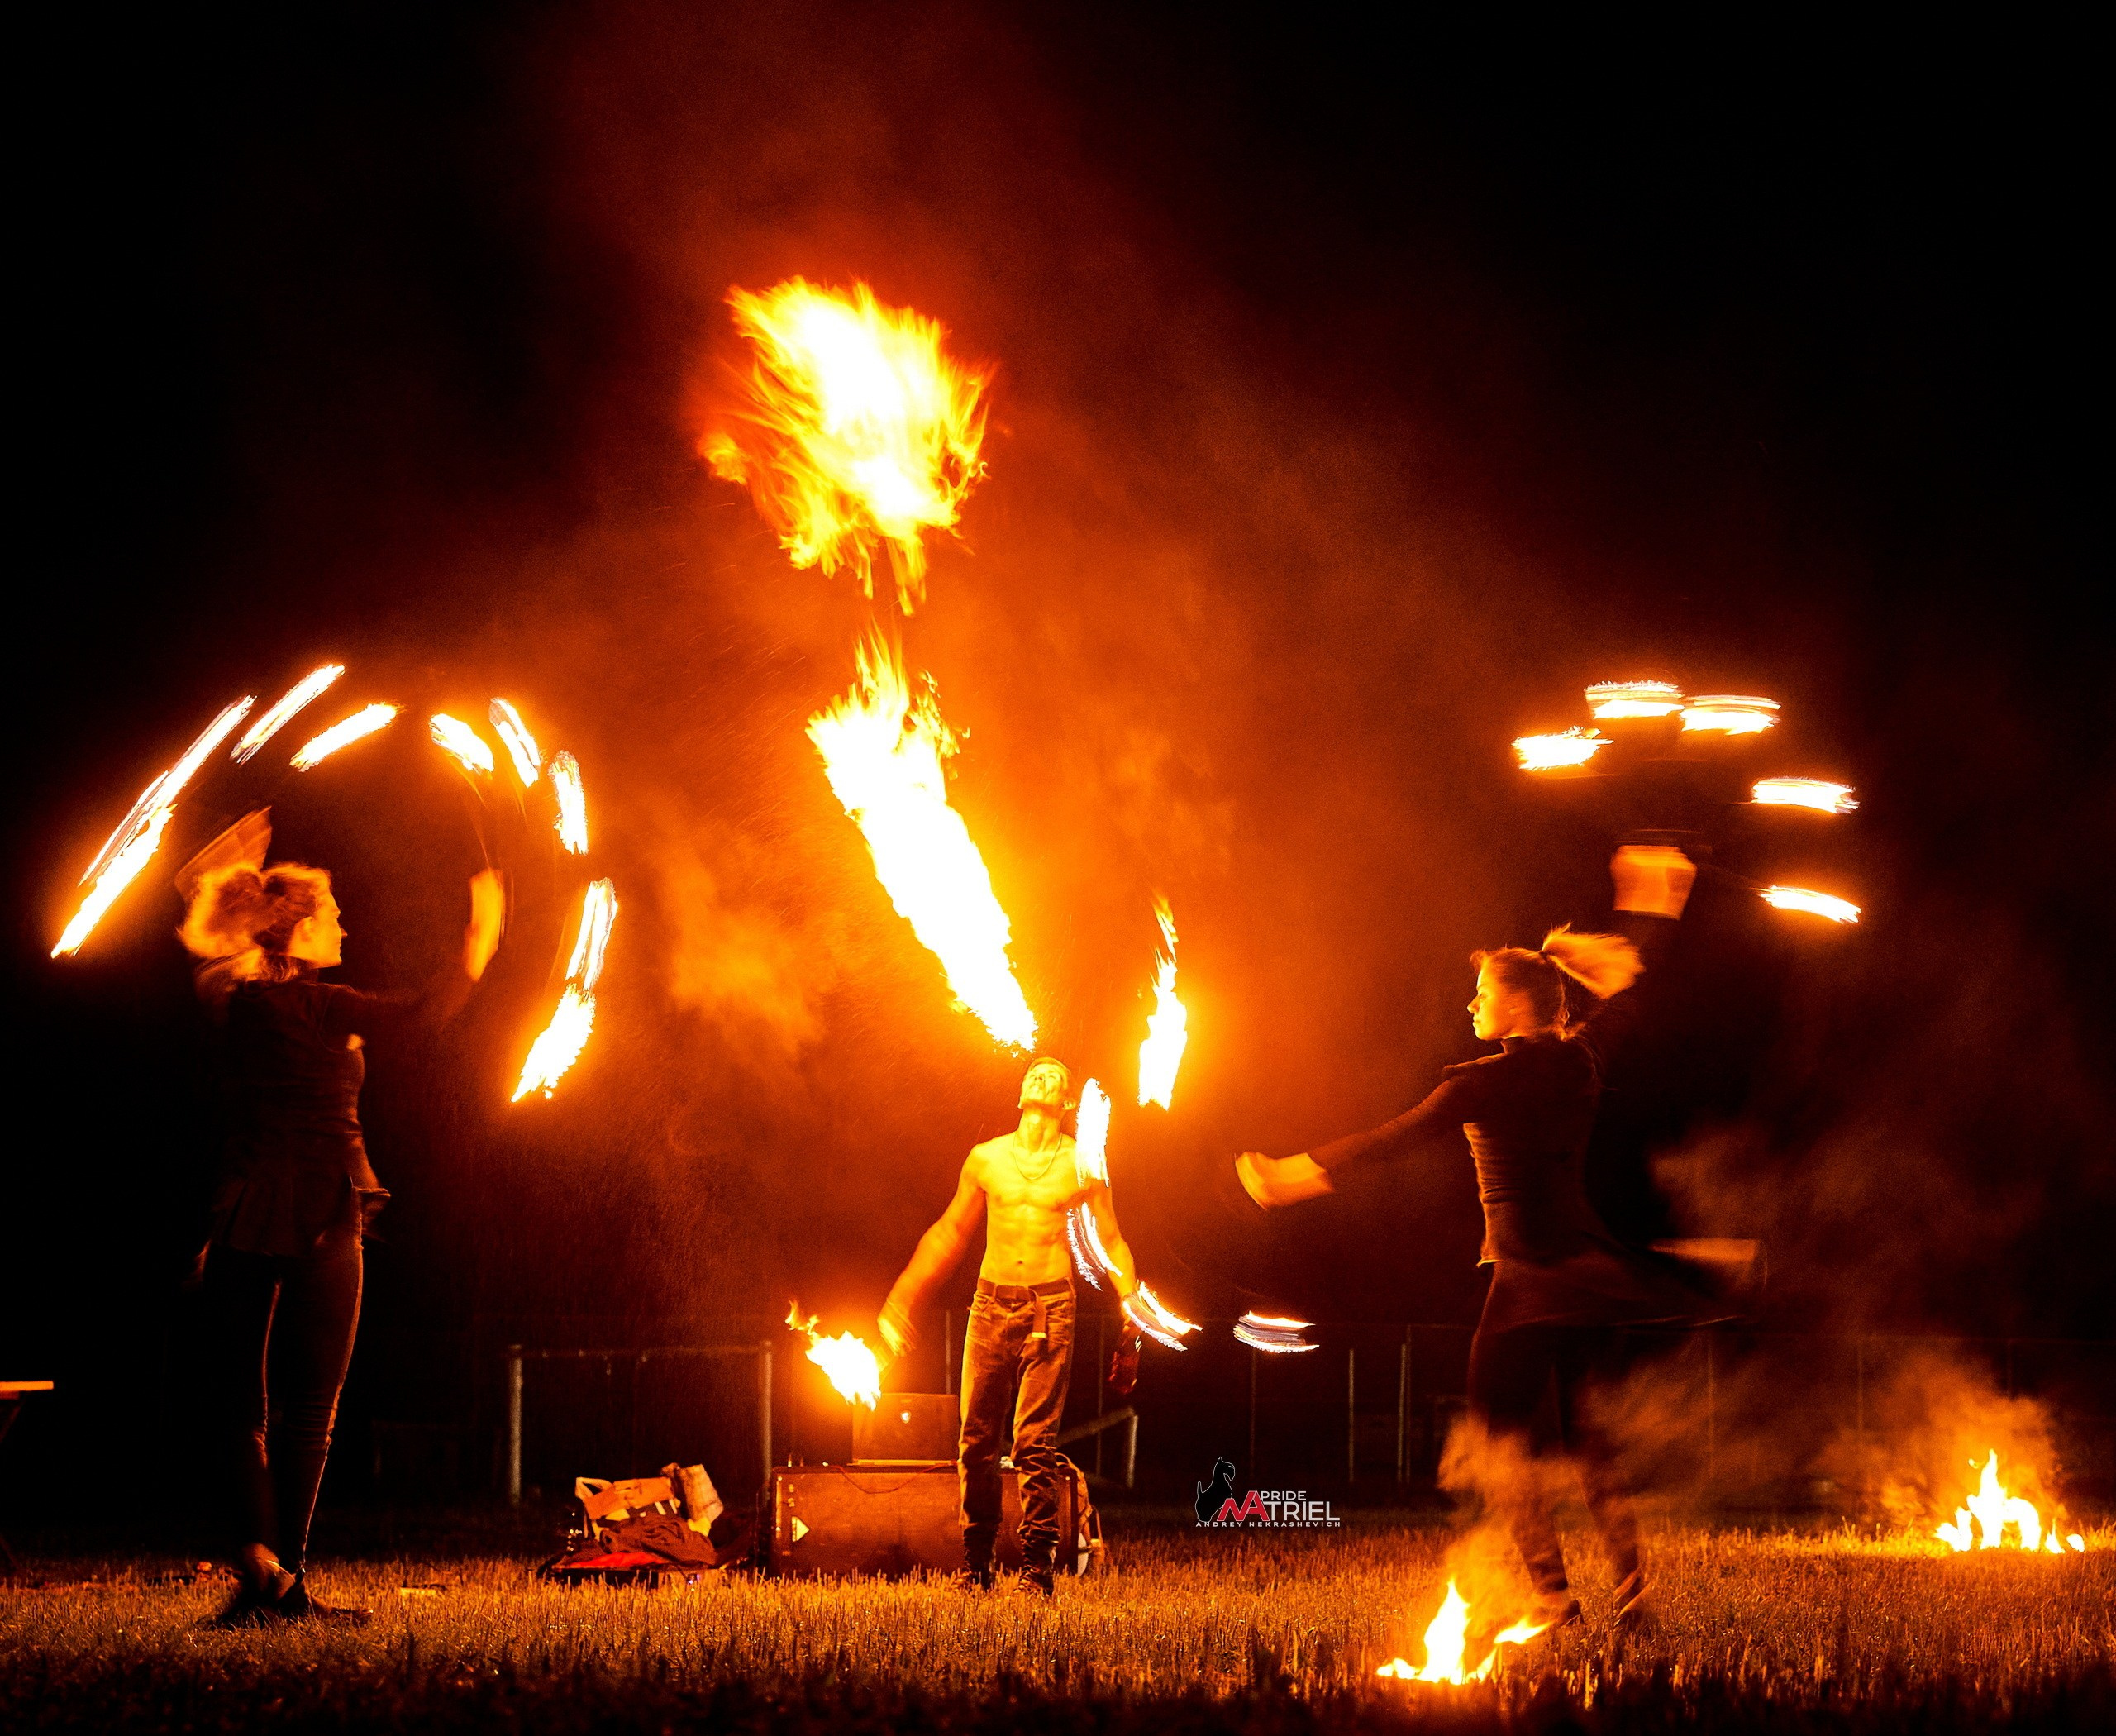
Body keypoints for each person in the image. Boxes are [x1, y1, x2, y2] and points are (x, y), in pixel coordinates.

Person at [1237, 845, 1701, 1629]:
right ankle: (1634, 1591)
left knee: (1497, 1446)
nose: (1471, 1005)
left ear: (1519, 1004)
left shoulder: (1478, 1082)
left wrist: (1295, 1173)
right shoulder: (1581, 1060)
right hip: (1590, 1274)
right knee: (1591, 1442)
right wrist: (1656, 907)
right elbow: (1628, 996)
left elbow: (1393, 1139)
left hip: (1527, 1282)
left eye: (1482, 991)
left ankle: (1554, 1601)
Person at [180, 856, 503, 1625]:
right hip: (325, 1211)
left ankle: (269, 1574)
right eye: (331, 913)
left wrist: (225, 879)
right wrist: (477, 949)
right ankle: (281, 1576)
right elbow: (424, 1014)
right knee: (311, 1412)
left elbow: (225, 971)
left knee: (241, 1409)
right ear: (296, 928)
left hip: (244, 1213)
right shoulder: (322, 1006)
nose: (345, 924)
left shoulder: (240, 1002)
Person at [878, 1056, 1143, 1595]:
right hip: (990, 1309)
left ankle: (1037, 1571)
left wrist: (1130, 1319)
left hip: (1051, 1311)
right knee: (975, 1443)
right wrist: (903, 1296)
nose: (1041, 1076)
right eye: (1033, 1073)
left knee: (1033, 1445)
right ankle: (976, 1567)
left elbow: (1112, 1241)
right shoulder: (987, 1159)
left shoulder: (1084, 1164)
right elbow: (950, 1232)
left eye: (1054, 1076)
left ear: (1068, 1103)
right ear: (1021, 1093)